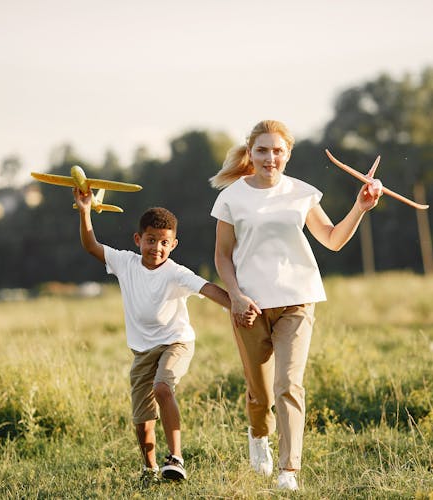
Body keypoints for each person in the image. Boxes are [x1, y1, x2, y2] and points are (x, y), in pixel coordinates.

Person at [209, 120, 382, 491]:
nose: (270, 157)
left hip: (297, 301)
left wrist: (360, 207)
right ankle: (259, 435)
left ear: (287, 154)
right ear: (250, 153)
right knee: (260, 392)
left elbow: (333, 240)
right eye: (262, 150)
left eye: (277, 151)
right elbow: (222, 257)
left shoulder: (303, 194)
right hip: (250, 306)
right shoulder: (231, 197)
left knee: (289, 383)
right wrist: (236, 296)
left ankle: (289, 471)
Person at [74, 189, 248, 485]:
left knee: (163, 388)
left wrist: (240, 303)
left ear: (173, 244)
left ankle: (176, 458)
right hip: (142, 351)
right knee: (142, 420)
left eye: (164, 242)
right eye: (151, 240)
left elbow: (209, 289)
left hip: (176, 342)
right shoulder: (125, 262)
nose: (157, 247)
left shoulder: (176, 272)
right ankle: (150, 468)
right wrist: (85, 209)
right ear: (138, 240)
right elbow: (91, 245)